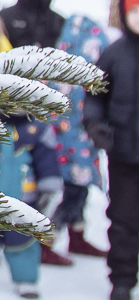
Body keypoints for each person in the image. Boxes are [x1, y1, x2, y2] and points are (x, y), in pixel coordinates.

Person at [0, 104, 63, 299]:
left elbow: (47, 160)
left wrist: (49, 188)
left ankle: (26, 280)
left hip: (23, 199)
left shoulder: (36, 127)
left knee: (23, 240)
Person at [84, 0, 139, 300]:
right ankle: (121, 278)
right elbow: (95, 94)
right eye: (135, 10)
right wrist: (94, 123)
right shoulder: (114, 53)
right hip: (123, 154)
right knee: (123, 218)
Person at [49, 14, 110, 261]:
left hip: (81, 145)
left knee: (79, 191)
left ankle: (77, 235)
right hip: (67, 147)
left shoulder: (97, 78)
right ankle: (48, 238)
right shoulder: (59, 76)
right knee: (71, 193)